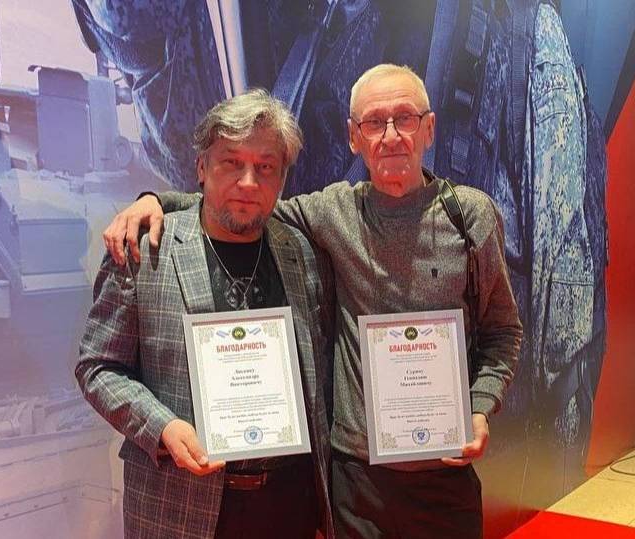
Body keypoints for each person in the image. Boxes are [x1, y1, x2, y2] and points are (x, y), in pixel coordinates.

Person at [104, 64, 523, 539]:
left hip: (445, 473)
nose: (391, 136)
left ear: (429, 129)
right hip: (356, 484)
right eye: (373, 122)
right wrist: (155, 201)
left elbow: (503, 331)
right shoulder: (332, 211)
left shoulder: (470, 216)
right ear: (353, 137)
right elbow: (246, 202)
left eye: (405, 119)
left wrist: (480, 405)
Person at [76, 89, 335, 539]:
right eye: (232, 162)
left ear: (281, 178)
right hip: (181, 506)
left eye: (266, 167)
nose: (249, 182)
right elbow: (97, 367)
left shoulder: (301, 252)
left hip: (290, 505)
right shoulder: (145, 250)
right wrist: (162, 427)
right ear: (201, 167)